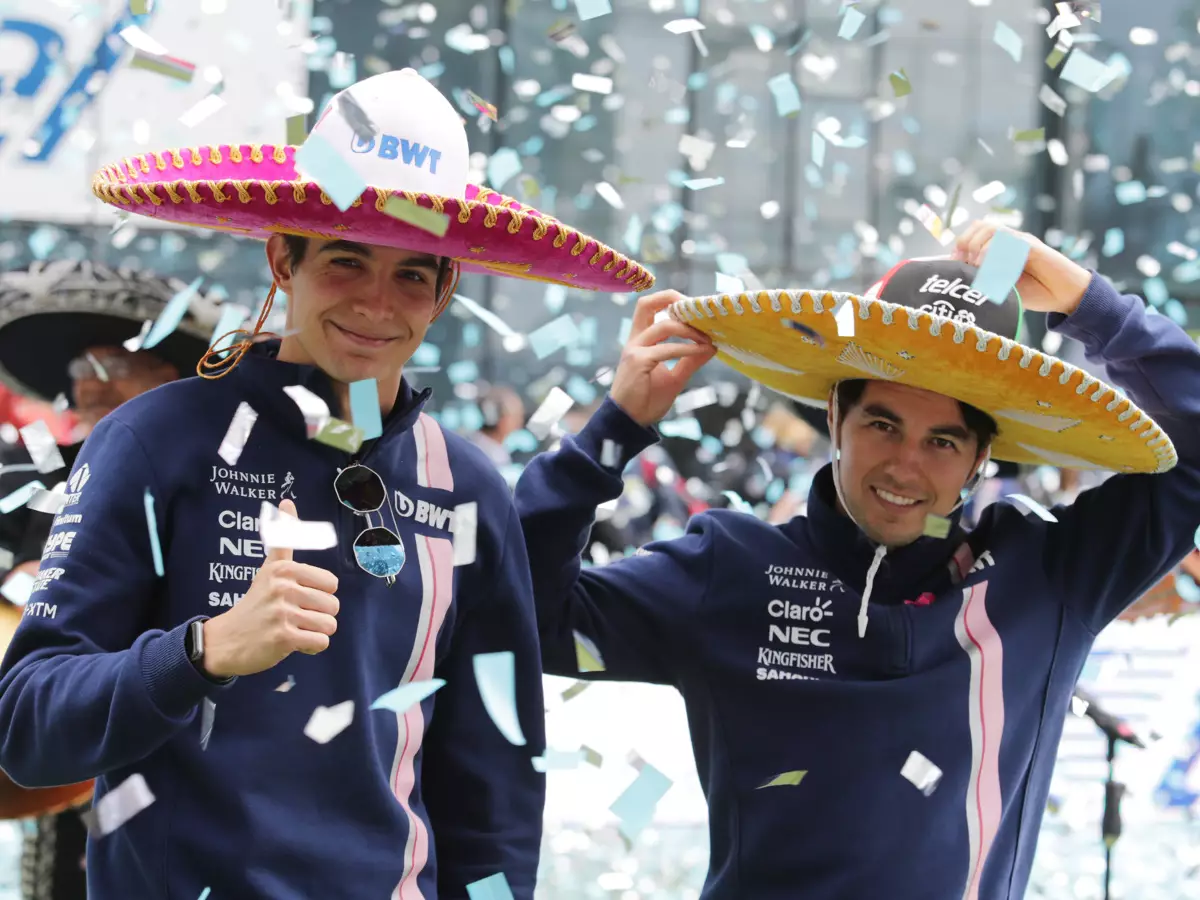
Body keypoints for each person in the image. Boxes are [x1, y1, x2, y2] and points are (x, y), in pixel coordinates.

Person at [0, 69, 653, 900]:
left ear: (446, 290)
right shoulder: (153, 439)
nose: (378, 304)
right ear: (283, 256)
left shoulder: (469, 490)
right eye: (347, 260)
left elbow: (494, 789)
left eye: (413, 274)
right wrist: (202, 652)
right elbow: (24, 726)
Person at [515, 222, 1200, 899]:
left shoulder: (1047, 578)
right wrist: (615, 427)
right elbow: (523, 616)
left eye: (943, 441)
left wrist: (1092, 305)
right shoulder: (732, 567)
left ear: (979, 460)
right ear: (835, 417)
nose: (905, 465)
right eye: (883, 425)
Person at [0, 261, 216, 900]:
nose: (90, 386)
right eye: (81, 370)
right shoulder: (35, 473)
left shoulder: (209, 478)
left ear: (167, 378)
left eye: (111, 368)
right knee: (58, 869)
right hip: (56, 718)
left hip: (164, 725)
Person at [465, 384, 525, 468]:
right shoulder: (488, 455)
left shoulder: (473, 443)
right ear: (500, 419)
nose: (519, 422)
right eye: (515, 416)